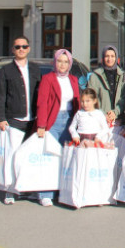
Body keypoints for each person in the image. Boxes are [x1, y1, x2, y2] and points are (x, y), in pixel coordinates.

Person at [0, 35, 42, 206]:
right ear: (12, 50)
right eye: (17, 47)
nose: (21, 49)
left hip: (33, 120)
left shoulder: (36, 69)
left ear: (28, 48)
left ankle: (27, 188)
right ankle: (10, 190)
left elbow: (41, 94)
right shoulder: (5, 71)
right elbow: (0, 96)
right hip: (14, 119)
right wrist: (1, 118)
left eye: (24, 46)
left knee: (28, 156)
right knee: (12, 156)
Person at [35, 49, 81, 207]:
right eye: (60, 61)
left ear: (70, 63)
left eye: (66, 61)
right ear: (55, 62)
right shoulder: (48, 79)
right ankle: (45, 193)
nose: (62, 64)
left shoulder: (73, 79)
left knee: (66, 157)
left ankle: (63, 191)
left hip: (69, 120)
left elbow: (78, 102)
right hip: (52, 121)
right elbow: (41, 102)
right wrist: (41, 125)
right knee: (49, 158)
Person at [87, 45, 125, 131]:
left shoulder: (123, 76)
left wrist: (115, 113)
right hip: (100, 121)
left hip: (118, 121)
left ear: (116, 58)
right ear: (102, 58)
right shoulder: (95, 76)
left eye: (112, 56)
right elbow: (92, 98)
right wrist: (102, 114)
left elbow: (124, 98)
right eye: (107, 56)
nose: (109, 59)